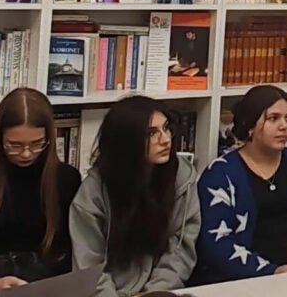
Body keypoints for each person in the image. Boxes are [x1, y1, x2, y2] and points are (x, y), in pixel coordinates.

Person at [194, 85, 287, 282]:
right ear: (250, 125)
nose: (284, 126)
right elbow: (215, 244)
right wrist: (271, 272)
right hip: (244, 281)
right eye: (273, 118)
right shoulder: (220, 174)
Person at [70, 95, 200, 295]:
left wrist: (154, 294)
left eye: (166, 128)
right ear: (127, 141)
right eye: (152, 133)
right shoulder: (93, 193)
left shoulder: (182, 177)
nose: (166, 140)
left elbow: (179, 252)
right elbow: (89, 268)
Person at [0, 88, 81, 286]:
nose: (26, 154)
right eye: (15, 145)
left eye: (37, 144)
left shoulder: (66, 179)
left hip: (48, 283)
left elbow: (71, 250)